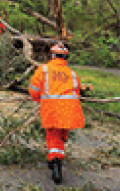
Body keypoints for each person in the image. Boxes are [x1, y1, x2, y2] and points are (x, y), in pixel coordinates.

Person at [28, 42, 84, 184]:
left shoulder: (44, 69)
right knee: (61, 136)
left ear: (52, 55)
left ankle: (55, 164)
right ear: (65, 57)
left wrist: (37, 99)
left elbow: (34, 89)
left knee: (53, 137)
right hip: (69, 110)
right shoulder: (72, 73)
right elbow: (77, 92)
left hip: (52, 109)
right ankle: (54, 159)